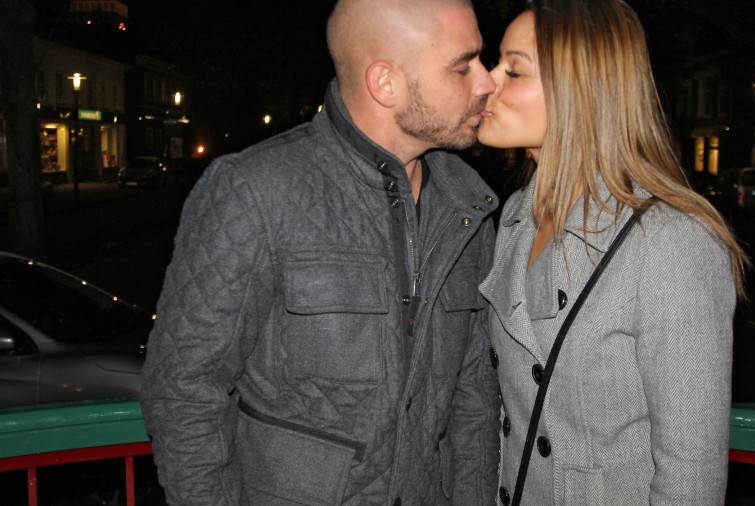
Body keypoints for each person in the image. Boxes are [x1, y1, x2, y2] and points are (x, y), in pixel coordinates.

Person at [139, 1, 502, 504]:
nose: (487, 81)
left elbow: (474, 399)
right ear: (386, 83)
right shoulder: (255, 191)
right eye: (463, 66)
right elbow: (183, 391)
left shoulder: (467, 206)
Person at [476, 1, 748, 504]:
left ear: (579, 89)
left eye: (513, 70)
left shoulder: (671, 242)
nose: (485, 81)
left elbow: (691, 477)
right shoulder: (515, 217)